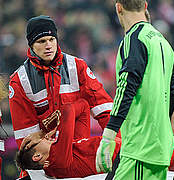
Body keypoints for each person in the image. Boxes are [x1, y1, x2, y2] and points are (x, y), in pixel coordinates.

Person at [16, 99, 174, 178]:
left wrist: (44, 133)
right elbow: (66, 110)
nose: (44, 137)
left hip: (141, 146)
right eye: (38, 141)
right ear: (37, 155)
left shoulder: (69, 151)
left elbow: (82, 106)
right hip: (140, 159)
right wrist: (44, 127)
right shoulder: (58, 163)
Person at [96, 0, 174, 179]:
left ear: (118, 8)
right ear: (145, 6)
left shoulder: (134, 38)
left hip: (141, 147)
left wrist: (108, 136)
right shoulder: (163, 41)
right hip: (160, 146)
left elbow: (126, 86)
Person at [8, 15, 113, 149]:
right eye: (41, 41)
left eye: (52, 39)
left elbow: (103, 107)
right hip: (46, 158)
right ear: (31, 45)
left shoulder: (77, 66)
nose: (48, 46)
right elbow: (26, 136)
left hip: (78, 151)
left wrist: (116, 141)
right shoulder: (19, 82)